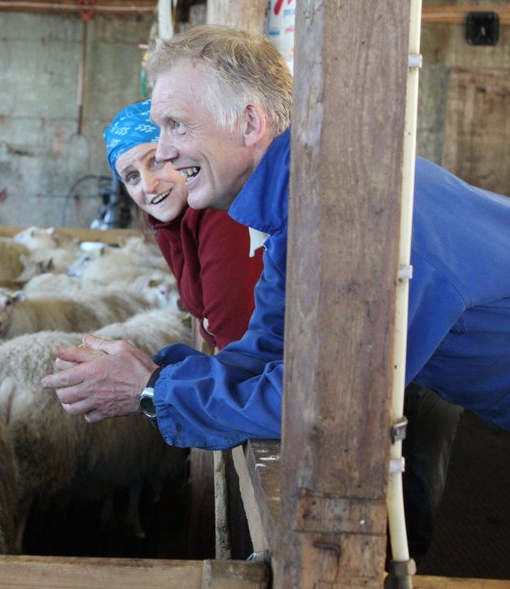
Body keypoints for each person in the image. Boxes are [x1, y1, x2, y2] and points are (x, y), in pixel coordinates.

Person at [42, 24, 510, 558]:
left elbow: (320, 402)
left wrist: (151, 394)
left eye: (175, 126)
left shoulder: (348, 214)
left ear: (249, 122)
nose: (165, 155)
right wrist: (156, 373)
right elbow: (268, 346)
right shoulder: (299, 205)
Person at [103, 99, 263, 351]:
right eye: (132, 177)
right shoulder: (174, 227)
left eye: (155, 161)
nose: (148, 186)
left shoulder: (220, 217)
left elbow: (237, 341)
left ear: (180, 154)